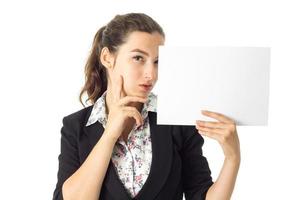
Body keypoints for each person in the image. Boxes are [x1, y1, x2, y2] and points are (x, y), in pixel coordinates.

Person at [52, 13, 240, 200]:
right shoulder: (76, 127)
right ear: (107, 58)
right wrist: (109, 135)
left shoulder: (177, 121)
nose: (151, 73)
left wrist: (232, 159)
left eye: (157, 62)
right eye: (138, 58)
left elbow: (201, 196)